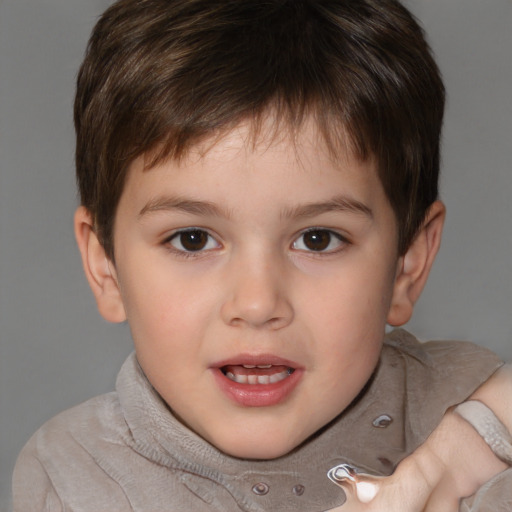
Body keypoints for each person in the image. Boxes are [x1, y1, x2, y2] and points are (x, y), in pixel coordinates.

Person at [12, 0, 512, 510]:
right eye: (192, 240)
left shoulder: (468, 410)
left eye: (318, 239)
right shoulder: (72, 477)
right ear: (106, 268)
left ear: (407, 262)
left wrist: (461, 453)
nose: (256, 303)